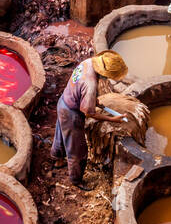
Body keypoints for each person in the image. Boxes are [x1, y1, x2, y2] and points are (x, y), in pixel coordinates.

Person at [51, 50, 127, 189]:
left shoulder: (88, 63)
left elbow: (80, 88)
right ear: (105, 74)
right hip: (71, 113)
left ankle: (57, 159)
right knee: (77, 150)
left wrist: (93, 100)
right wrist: (112, 119)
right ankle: (76, 180)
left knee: (61, 134)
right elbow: (88, 112)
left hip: (64, 100)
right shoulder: (91, 84)